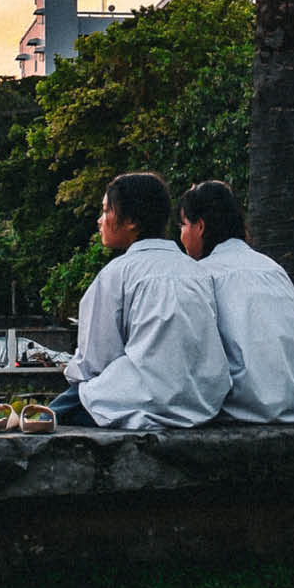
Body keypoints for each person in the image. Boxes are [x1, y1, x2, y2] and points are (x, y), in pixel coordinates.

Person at [47, 172, 230, 429]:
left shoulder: (117, 274)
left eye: (105, 211)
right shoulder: (196, 271)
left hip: (146, 399)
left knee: (57, 411)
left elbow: (94, 363)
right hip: (203, 402)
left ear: (131, 220)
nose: (100, 221)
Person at [179, 180, 294, 424]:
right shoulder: (273, 269)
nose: (181, 235)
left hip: (242, 407)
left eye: (183, 225)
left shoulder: (201, 275)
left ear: (200, 226)